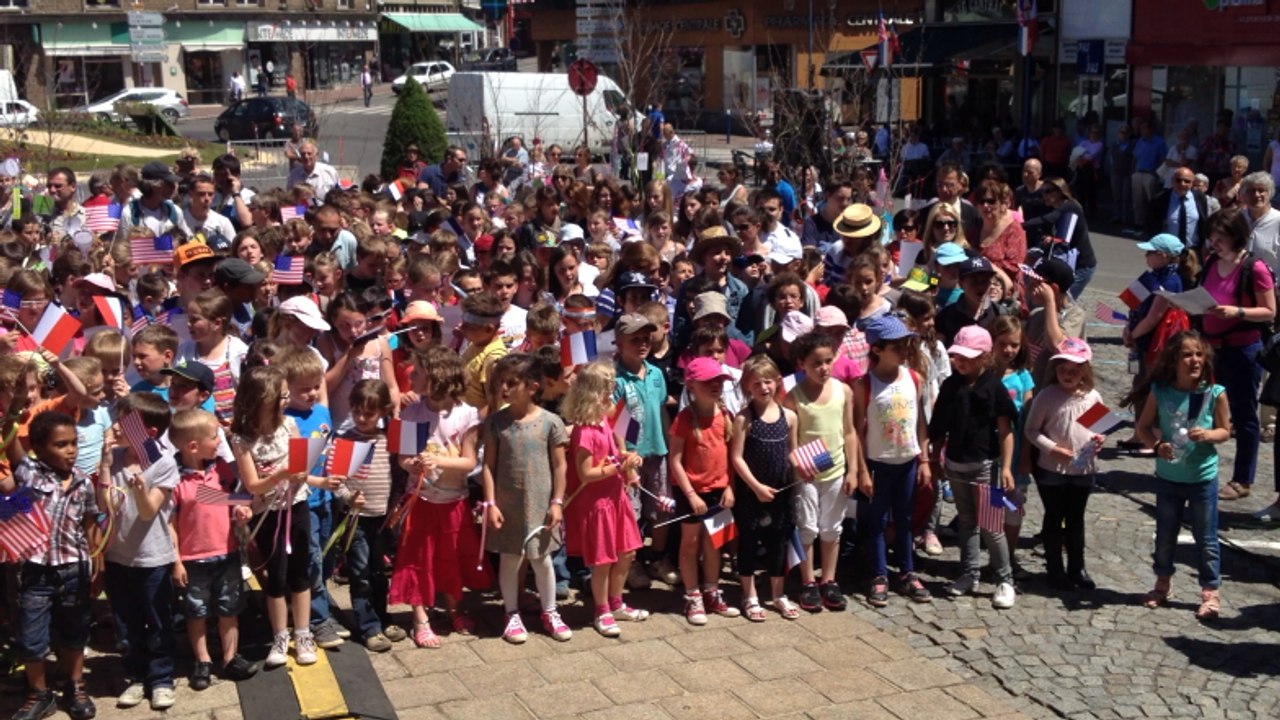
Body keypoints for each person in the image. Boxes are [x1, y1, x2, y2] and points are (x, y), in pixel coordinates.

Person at [230, 366, 336, 668]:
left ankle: (303, 633)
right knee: (275, 577)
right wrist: (281, 474)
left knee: (301, 572)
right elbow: (253, 485)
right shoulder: (241, 439)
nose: (286, 400)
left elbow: (300, 473)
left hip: (297, 505)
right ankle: (279, 635)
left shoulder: (289, 425)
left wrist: (320, 481)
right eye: (281, 395)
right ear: (263, 398)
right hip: (267, 512)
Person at [5, 411, 100, 720]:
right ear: (40, 448)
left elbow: (89, 524)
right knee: (32, 638)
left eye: (74, 443)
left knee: (75, 630)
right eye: (61, 444)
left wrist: (97, 560)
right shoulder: (30, 473)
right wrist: (15, 405)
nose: (70, 450)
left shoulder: (84, 482)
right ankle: (39, 694)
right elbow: (9, 436)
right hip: (37, 571)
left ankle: (75, 686)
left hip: (74, 567)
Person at [391, 346, 487, 647]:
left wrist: (439, 462)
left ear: (437, 377)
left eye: (417, 372)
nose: (411, 375)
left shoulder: (467, 414)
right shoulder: (409, 413)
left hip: (453, 500)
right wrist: (414, 463)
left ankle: (454, 606)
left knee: (451, 556)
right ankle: (420, 617)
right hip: (419, 500)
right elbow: (401, 459)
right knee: (418, 558)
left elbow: (470, 462)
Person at [1132, 332, 1229, 620]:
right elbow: (1144, 427)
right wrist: (1157, 446)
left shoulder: (1214, 393)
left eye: (1199, 354)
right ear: (1174, 360)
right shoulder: (1161, 391)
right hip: (1169, 478)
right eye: (1187, 354)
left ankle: (1210, 592)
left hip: (1202, 478)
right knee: (1165, 535)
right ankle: (1162, 584)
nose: (1194, 360)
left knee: (1207, 538)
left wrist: (1209, 435)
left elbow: (1225, 430)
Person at [480, 354, 572, 644]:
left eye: (511, 383)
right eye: (500, 383)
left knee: (541, 559)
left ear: (532, 387)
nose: (503, 388)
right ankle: (511, 612)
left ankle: (550, 610)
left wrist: (557, 502)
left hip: (541, 504)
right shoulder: (496, 423)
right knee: (509, 559)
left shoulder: (550, 422)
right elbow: (488, 466)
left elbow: (560, 465)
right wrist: (491, 504)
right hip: (507, 506)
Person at [928, 325, 1018, 609]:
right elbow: (939, 427)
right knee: (966, 522)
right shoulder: (951, 386)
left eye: (968, 356)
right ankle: (969, 574)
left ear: (985, 356)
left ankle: (1005, 579)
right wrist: (936, 457)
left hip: (986, 466)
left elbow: (1006, 430)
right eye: (957, 356)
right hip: (955, 465)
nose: (960, 361)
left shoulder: (993, 388)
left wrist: (1005, 468)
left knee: (992, 526)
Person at [169, 409, 260, 689]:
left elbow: (232, 502)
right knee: (196, 612)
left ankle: (231, 657)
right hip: (193, 558)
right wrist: (176, 561)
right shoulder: (175, 480)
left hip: (227, 552)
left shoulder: (221, 469)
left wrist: (242, 511)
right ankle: (203, 660)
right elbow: (170, 524)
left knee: (229, 607)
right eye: (214, 436)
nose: (219, 441)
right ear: (193, 445)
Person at [561, 361, 649, 636]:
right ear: (591, 393)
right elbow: (586, 473)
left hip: (615, 497)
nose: (612, 392)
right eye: (607, 388)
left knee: (627, 553)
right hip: (597, 504)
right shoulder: (584, 431)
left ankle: (616, 601)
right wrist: (618, 467)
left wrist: (628, 459)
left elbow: (611, 454)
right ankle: (601, 610)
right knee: (602, 561)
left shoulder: (603, 422)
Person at [782, 332, 867, 613]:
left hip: (836, 471)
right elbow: (791, 440)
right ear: (802, 364)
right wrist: (798, 466)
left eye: (828, 361)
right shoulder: (794, 397)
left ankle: (829, 579)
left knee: (832, 526)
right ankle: (807, 581)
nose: (823, 368)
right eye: (816, 363)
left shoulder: (843, 391)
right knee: (807, 527)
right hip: (806, 475)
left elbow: (850, 432)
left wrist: (853, 470)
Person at [853, 316, 933, 607]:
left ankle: (907, 571)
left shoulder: (913, 378)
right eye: (897, 346)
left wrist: (924, 459)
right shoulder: (864, 384)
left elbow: (921, 422)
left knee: (905, 518)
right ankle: (879, 573)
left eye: (906, 344)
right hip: (878, 462)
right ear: (877, 349)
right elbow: (857, 429)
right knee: (877, 521)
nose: (904, 350)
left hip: (908, 460)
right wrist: (861, 469)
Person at [1199, 210, 1276, 501]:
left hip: (1243, 349)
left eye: (1221, 237)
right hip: (1210, 346)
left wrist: (1238, 311)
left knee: (1244, 414)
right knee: (1201, 404)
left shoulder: (1253, 268)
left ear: (1236, 236)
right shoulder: (1210, 262)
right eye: (1212, 237)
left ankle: (1242, 479)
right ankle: (1197, 469)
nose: (1215, 242)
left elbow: (1269, 311)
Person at [330, 380, 407, 652]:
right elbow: (335, 480)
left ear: (383, 411)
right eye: (357, 411)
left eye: (369, 413)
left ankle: (383, 617)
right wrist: (347, 496)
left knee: (378, 571)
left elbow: (402, 473)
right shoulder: (345, 440)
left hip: (383, 518)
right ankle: (368, 627)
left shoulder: (391, 439)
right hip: (356, 520)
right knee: (359, 573)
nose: (362, 418)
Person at [1024, 338, 1104, 591]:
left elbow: (1101, 429)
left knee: (1076, 519)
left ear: (1084, 371)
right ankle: (1055, 568)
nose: (1068, 376)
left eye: (1074, 371)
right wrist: (1052, 448)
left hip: (1083, 468)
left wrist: (1100, 440)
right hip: (1052, 469)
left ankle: (1077, 567)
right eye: (1063, 370)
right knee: (1054, 516)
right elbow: (1032, 430)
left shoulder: (1092, 397)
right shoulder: (1048, 396)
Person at [669, 357, 741, 625]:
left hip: (720, 492)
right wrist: (690, 495)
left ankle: (711, 589)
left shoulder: (726, 416)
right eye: (709, 381)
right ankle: (692, 595)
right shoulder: (684, 419)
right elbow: (674, 460)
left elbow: (732, 457)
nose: (716, 385)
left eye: (720, 381)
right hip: (691, 492)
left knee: (715, 545)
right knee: (690, 544)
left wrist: (731, 487)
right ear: (692, 385)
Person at [729, 355, 801, 620]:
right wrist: (756, 486)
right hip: (752, 491)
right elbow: (736, 457)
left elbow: (792, 452)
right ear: (748, 386)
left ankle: (778, 593)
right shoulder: (743, 418)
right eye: (757, 383)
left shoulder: (789, 416)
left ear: (778, 382)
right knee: (748, 541)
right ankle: (749, 595)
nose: (764, 388)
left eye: (768, 382)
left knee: (778, 542)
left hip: (781, 490)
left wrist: (804, 471)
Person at [1145, 167, 1210, 253]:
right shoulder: (1160, 199)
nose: (1182, 184)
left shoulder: (1200, 198)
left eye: (1187, 181)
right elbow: (1152, 226)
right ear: (1172, 181)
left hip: (1193, 251)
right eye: (1178, 180)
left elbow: (1203, 222)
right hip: (1168, 251)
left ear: (1192, 183)